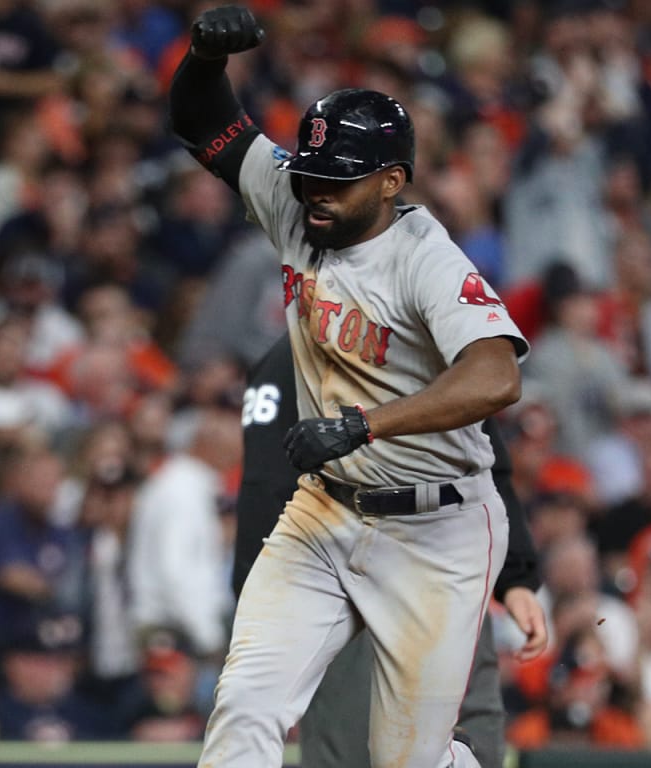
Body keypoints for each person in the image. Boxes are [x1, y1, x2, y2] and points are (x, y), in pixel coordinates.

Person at [169, 8, 530, 767]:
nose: (314, 192)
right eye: (308, 174)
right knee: (244, 708)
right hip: (324, 515)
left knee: (409, 761)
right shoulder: (299, 205)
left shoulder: (426, 257)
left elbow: (496, 376)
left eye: (337, 180)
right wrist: (203, 59)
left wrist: (368, 424)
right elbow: (206, 126)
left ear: (393, 181)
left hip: (438, 529)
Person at [235, 332, 550, 767]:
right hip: (349, 587)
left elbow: (485, 464)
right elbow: (265, 487)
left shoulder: (435, 339)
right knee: (357, 749)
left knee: (472, 740)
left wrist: (516, 578)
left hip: (452, 565)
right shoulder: (290, 358)